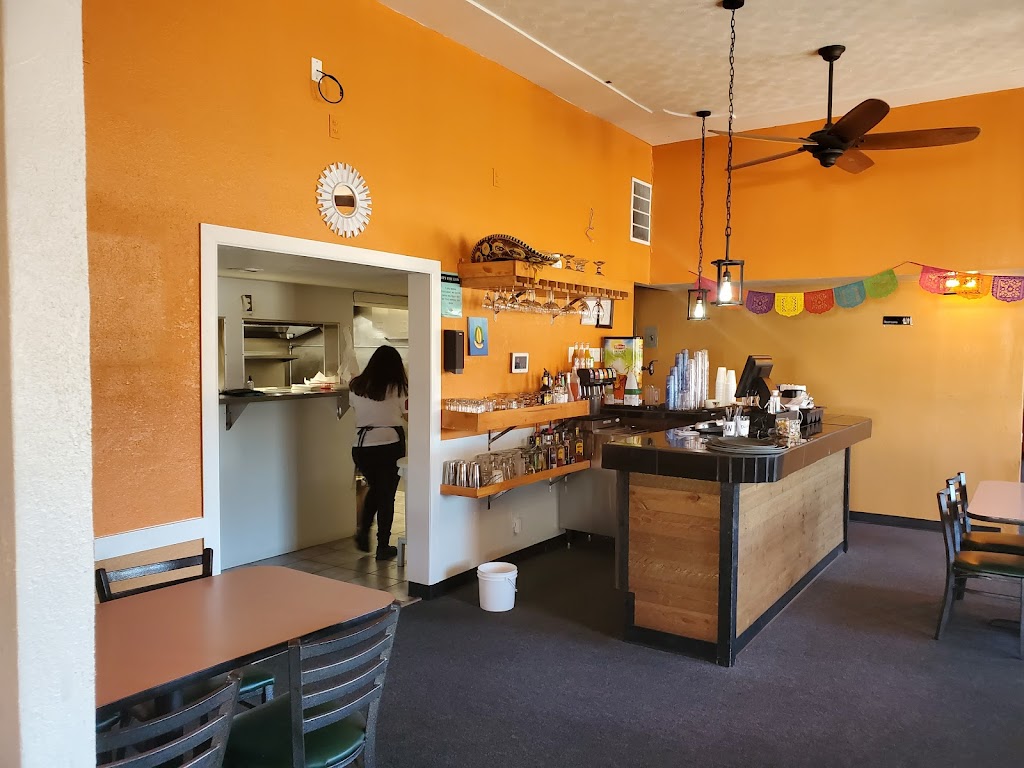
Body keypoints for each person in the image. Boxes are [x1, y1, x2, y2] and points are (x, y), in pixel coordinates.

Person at [349, 345, 408, 561]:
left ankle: (363, 532)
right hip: (389, 445)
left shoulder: (356, 386)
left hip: (361, 447)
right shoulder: (400, 388)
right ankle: (383, 545)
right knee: (386, 495)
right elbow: (409, 415)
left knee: (376, 489)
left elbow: (358, 410)